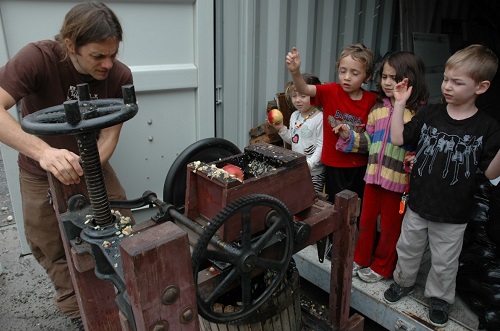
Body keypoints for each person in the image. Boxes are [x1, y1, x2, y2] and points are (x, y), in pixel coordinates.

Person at [0, 2, 134, 328]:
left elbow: (109, 138)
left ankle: (127, 296)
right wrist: (45, 153)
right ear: (71, 45)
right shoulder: (38, 58)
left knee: (123, 227)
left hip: (92, 167)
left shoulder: (120, 74)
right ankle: (79, 311)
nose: (108, 64)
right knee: (50, 244)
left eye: (113, 54)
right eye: (98, 56)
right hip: (39, 171)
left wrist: (88, 166)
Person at [385, 44, 500, 327]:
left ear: (481, 87)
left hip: (455, 212)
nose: (447, 86)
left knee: (445, 260)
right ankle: (403, 281)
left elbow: (490, 173)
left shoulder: (487, 127)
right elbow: (398, 139)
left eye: (457, 82)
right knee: (409, 248)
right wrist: (399, 104)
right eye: (446, 78)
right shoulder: (430, 114)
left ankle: (439, 298)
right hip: (418, 204)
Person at [334, 51, 429, 283]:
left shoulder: (417, 115)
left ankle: (383, 267)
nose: (387, 82)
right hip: (373, 180)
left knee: (389, 228)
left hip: (398, 185)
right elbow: (368, 141)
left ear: (410, 80)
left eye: (395, 78)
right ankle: (361, 258)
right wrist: (349, 136)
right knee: (365, 222)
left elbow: (422, 147)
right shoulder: (377, 110)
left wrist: (415, 158)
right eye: (385, 76)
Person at [285, 44, 377, 203]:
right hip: (334, 164)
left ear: (367, 76)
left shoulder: (371, 100)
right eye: (343, 71)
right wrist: (295, 72)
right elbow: (305, 89)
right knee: (336, 205)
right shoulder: (331, 91)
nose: (347, 77)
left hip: (360, 165)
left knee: (357, 205)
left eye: (354, 73)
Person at [272, 73, 325, 193]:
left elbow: (322, 145)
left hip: (314, 171)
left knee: (313, 199)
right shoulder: (294, 116)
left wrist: (310, 164)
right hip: (297, 167)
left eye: (303, 96)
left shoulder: (319, 118)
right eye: (294, 96)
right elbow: (293, 139)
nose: (297, 100)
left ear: (315, 95)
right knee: (298, 197)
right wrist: (281, 129)